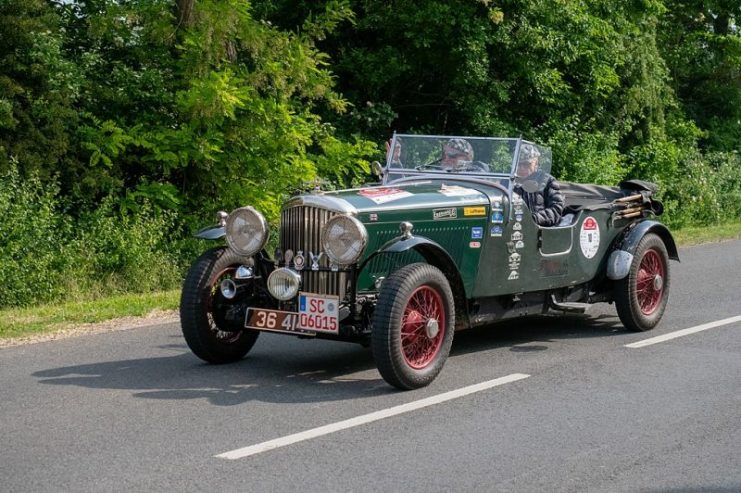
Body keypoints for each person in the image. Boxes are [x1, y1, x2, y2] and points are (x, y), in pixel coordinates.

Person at [514, 143, 564, 227]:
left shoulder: (547, 180)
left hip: (540, 230)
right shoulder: (509, 182)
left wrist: (533, 219)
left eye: (526, 164)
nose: (522, 168)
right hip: (513, 227)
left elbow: (557, 209)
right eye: (519, 164)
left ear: (536, 163)